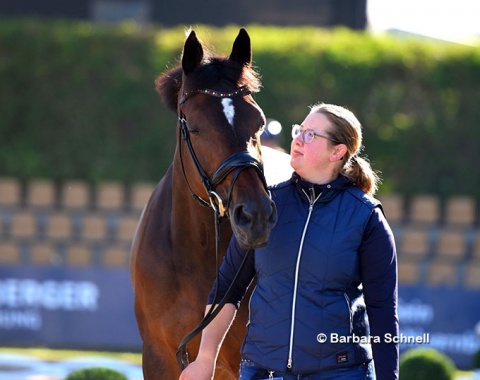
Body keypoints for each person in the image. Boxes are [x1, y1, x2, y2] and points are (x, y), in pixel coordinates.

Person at [179, 103, 399, 380]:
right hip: (263, 372)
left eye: (310, 135)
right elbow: (227, 289)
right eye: (300, 130)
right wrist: (205, 359)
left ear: (338, 152)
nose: (297, 139)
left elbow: (382, 311)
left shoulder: (366, 217)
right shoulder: (267, 206)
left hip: (341, 372)